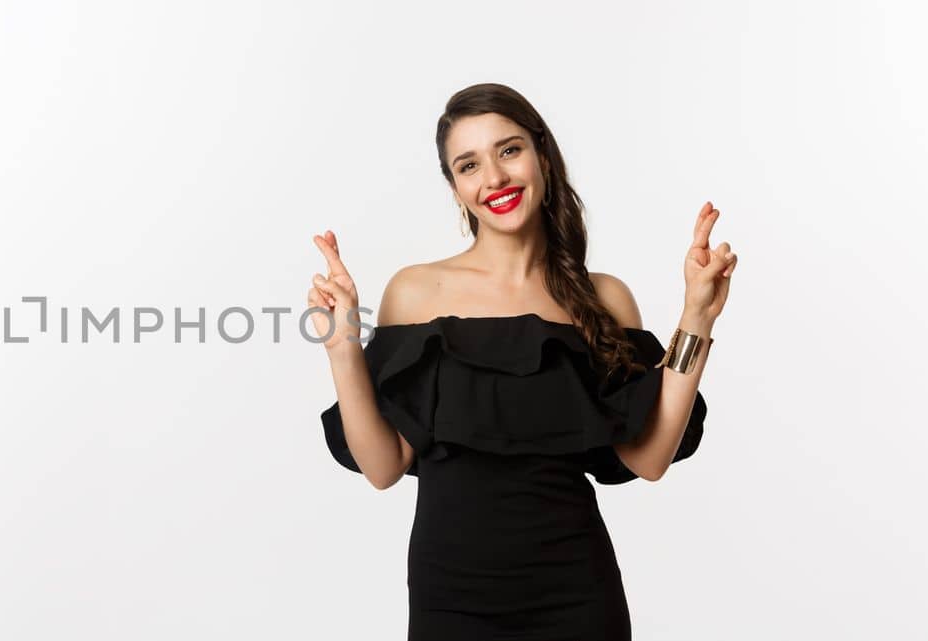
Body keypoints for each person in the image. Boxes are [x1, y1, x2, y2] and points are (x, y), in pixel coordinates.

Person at [308, 83, 737, 639]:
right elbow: (383, 466)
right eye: (468, 165)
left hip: (577, 597)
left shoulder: (602, 298)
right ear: (455, 187)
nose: (494, 178)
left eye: (508, 150)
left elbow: (649, 457)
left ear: (542, 155)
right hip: (451, 601)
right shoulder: (416, 292)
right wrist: (342, 345)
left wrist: (696, 317)